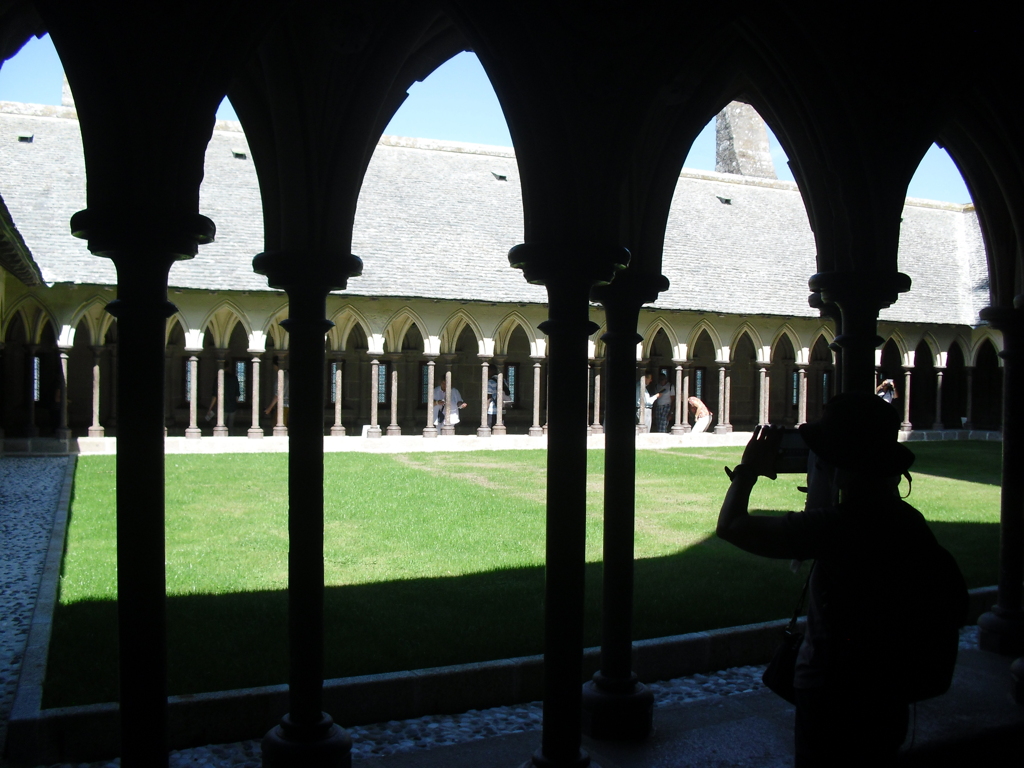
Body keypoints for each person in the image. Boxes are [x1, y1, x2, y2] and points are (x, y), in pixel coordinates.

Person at [715, 392, 956, 767]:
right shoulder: (909, 523)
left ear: (842, 463)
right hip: (888, 694)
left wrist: (748, 472)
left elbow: (731, 526)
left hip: (832, 695)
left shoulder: (837, 527)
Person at [206, 364, 240, 431]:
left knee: (221, 427)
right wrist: (236, 404)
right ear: (228, 367)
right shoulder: (234, 378)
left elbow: (215, 395)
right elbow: (237, 394)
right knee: (231, 426)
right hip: (232, 406)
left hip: (222, 407)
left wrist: (210, 408)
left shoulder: (218, 378)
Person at [264, 358, 289, 426]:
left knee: (280, 427)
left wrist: (269, 408)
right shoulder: (287, 375)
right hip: (287, 405)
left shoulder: (281, 377)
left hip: (283, 406)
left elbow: (278, 395)